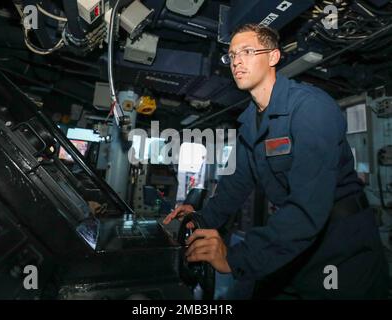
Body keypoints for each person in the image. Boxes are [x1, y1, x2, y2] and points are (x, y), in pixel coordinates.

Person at [163, 23, 389, 299]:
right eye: (232, 55)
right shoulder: (250, 122)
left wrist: (235, 259)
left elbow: (308, 209)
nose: (236, 62)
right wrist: (199, 218)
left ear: (273, 56)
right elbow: (236, 184)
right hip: (292, 241)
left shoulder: (310, 108)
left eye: (246, 51)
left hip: (339, 247)